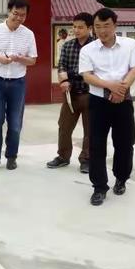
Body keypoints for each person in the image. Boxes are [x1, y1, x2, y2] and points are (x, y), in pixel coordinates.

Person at [79, 8, 135, 206]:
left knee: (125, 143)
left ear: (115, 25)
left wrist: (121, 90)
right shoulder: (88, 50)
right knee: (97, 144)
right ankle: (99, 187)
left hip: (124, 100)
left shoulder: (130, 45)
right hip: (98, 101)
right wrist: (110, 86)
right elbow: (87, 75)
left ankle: (121, 178)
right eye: (97, 27)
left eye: (106, 26)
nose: (102, 30)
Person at [0, 0, 37, 172]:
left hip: (18, 82)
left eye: (23, 15)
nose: (18, 18)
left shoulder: (28, 34)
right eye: (15, 14)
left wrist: (20, 59)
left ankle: (11, 156)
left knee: (15, 122)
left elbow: (33, 60)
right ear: (8, 11)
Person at [47, 12, 94, 173]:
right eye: (74, 27)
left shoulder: (96, 46)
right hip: (71, 94)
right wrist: (63, 81)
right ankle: (63, 156)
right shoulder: (68, 45)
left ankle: (86, 159)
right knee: (64, 126)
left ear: (89, 28)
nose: (76, 30)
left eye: (80, 27)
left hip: (91, 93)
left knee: (90, 129)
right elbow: (61, 66)